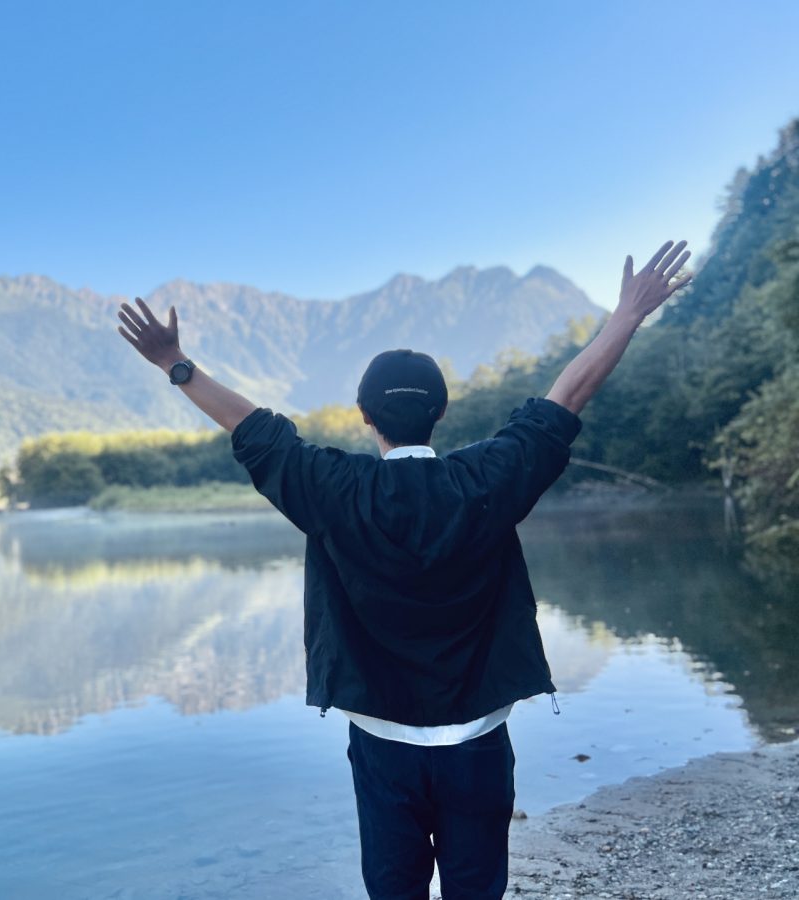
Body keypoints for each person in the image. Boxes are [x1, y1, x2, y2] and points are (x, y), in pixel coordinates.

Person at [116, 241, 692, 899]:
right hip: (478, 738)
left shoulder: (334, 488)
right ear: (441, 413)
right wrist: (627, 315)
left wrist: (174, 364)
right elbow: (568, 396)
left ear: (365, 416)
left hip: (383, 741)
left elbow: (251, 428)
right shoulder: (488, 478)